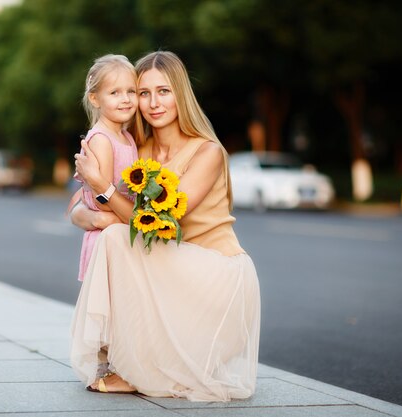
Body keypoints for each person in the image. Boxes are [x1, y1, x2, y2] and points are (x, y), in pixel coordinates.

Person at [69, 50, 261, 401]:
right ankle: (128, 361)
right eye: (144, 93)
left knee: (117, 237)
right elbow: (74, 207)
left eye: (164, 91)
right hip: (169, 270)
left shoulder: (208, 152)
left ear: (181, 95)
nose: (153, 103)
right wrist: (96, 216)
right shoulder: (135, 149)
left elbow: (159, 225)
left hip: (216, 279)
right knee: (112, 233)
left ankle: (133, 366)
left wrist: (105, 189)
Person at [73, 54, 139, 281]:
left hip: (120, 233)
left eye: (131, 91)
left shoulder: (126, 137)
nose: (126, 99)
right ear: (95, 98)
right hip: (106, 239)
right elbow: (103, 202)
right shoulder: (102, 139)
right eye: (115, 93)